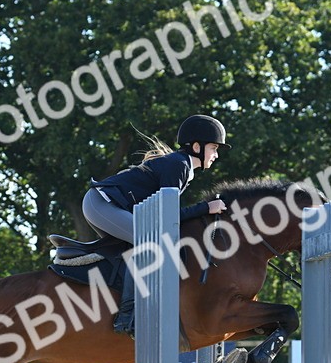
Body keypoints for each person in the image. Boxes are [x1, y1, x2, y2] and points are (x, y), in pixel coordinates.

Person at [82, 114, 230, 335]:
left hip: (105, 204)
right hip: (102, 204)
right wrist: (206, 208)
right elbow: (167, 216)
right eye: (214, 148)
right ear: (197, 147)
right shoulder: (179, 165)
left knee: (136, 250)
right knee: (152, 243)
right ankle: (126, 316)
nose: (216, 155)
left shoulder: (181, 166)